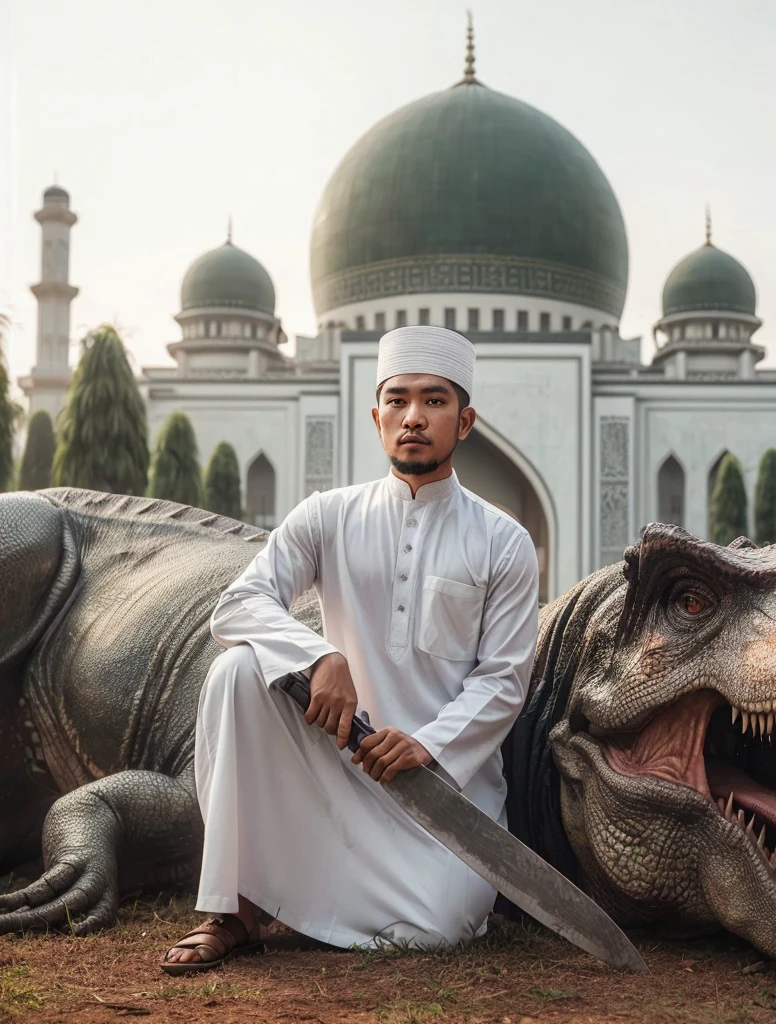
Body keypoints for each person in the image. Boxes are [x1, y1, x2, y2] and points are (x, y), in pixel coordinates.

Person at [161, 325, 540, 973]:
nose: (413, 417)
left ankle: (302, 891)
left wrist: (430, 744)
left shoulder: (503, 542)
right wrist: (317, 657)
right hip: (340, 770)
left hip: (439, 800)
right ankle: (233, 908)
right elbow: (239, 604)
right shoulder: (328, 515)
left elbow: (503, 682)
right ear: (376, 416)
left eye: (435, 401)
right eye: (397, 401)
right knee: (237, 670)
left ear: (466, 420)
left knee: (437, 926)